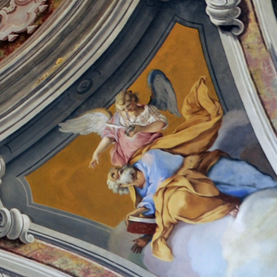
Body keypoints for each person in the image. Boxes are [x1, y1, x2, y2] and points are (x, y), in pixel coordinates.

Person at [106, 77, 277, 260]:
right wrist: (143, 228)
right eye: (116, 177)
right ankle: (225, 208)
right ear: (122, 185)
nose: (119, 173)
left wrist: (151, 202)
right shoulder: (141, 194)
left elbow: (165, 173)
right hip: (185, 189)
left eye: (116, 171)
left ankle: (270, 186)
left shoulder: (148, 157)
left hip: (195, 168)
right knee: (179, 202)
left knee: (236, 173)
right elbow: (154, 211)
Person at [89, 88, 168, 168]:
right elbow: (109, 137)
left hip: (148, 149)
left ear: (134, 100)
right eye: (123, 109)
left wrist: (141, 129)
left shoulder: (147, 111)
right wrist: (97, 152)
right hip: (129, 157)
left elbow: (161, 124)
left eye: (128, 105)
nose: (127, 110)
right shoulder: (119, 117)